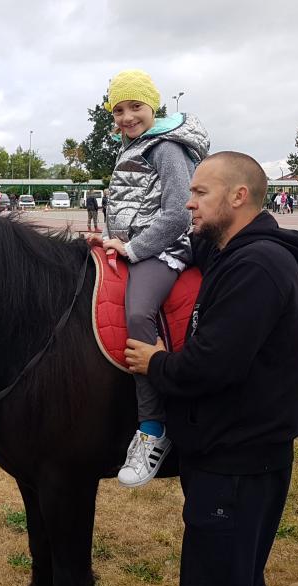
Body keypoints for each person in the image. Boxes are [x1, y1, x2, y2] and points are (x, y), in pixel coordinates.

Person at [124, 151, 298, 586]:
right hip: (230, 457)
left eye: (200, 193)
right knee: (236, 581)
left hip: (238, 464)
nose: (189, 203)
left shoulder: (257, 267)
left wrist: (155, 362)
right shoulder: (233, 251)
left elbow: (212, 365)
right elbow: (195, 243)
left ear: (239, 196)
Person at [87, 68, 210, 487]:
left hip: (166, 249)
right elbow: (132, 205)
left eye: (134, 106)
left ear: (152, 106)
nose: (126, 116)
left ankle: (153, 428)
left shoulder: (166, 148)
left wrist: (136, 249)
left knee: (138, 311)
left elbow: (178, 211)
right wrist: (110, 237)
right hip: (136, 244)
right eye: (118, 110)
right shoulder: (131, 147)